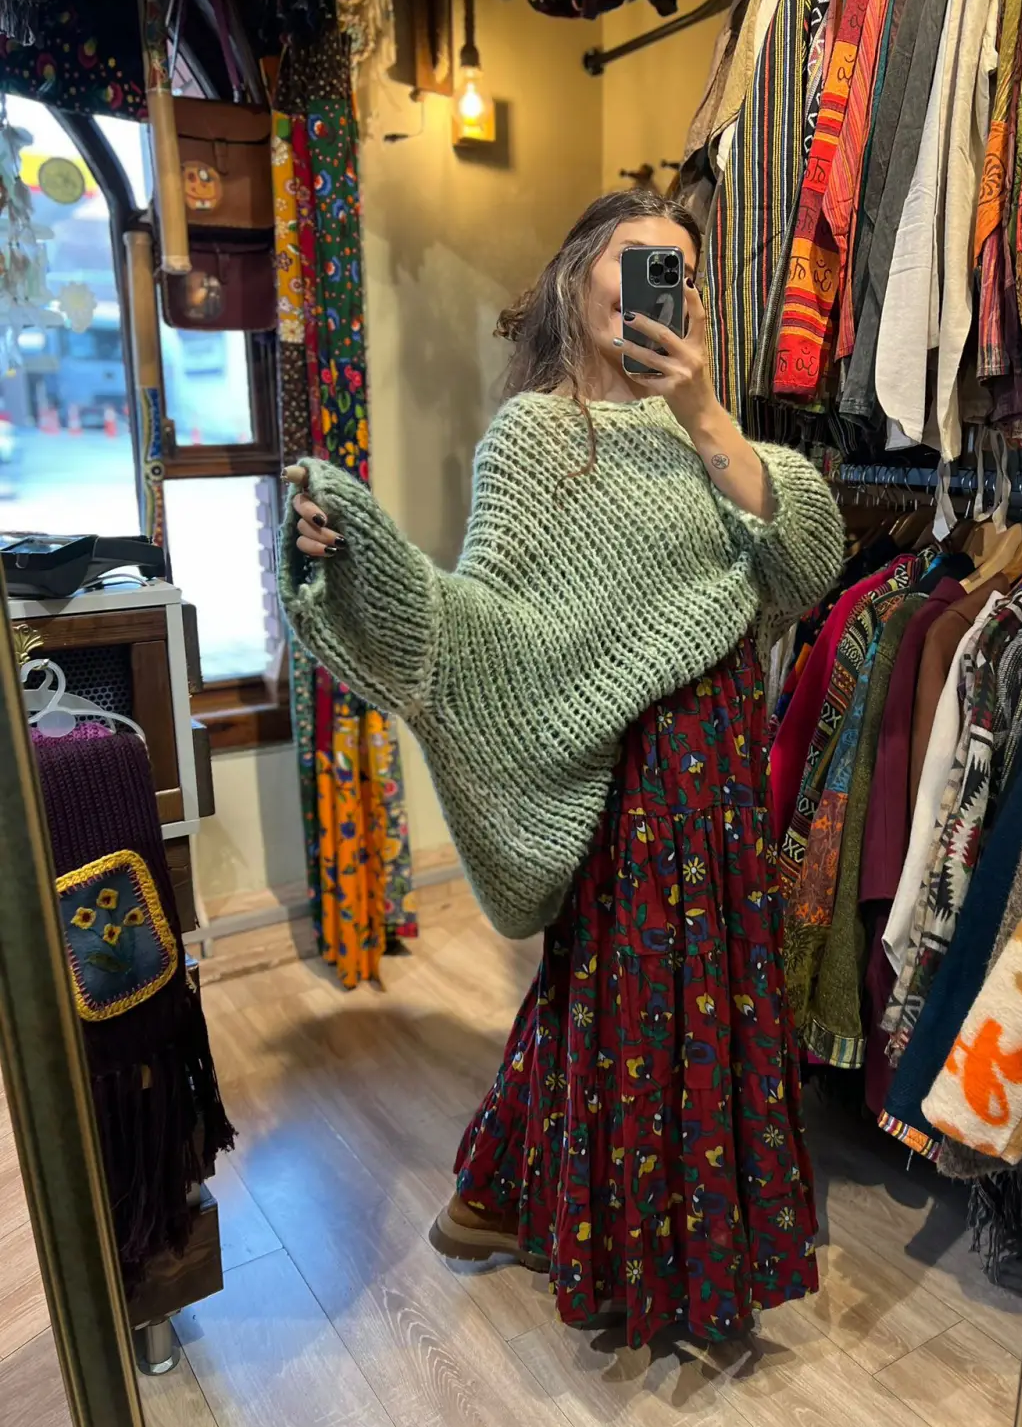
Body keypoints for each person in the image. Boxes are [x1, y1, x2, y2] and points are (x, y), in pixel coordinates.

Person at [279, 188, 844, 1348]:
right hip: (623, 782)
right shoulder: (535, 439)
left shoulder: (713, 435)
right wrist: (356, 559)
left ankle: (530, 1198)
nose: (662, 287)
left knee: (704, 994)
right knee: (621, 997)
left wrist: (705, 412)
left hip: (722, 776)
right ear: (576, 279)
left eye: (683, 271)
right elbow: (483, 626)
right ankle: (620, 1247)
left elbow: (805, 564)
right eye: (638, 261)